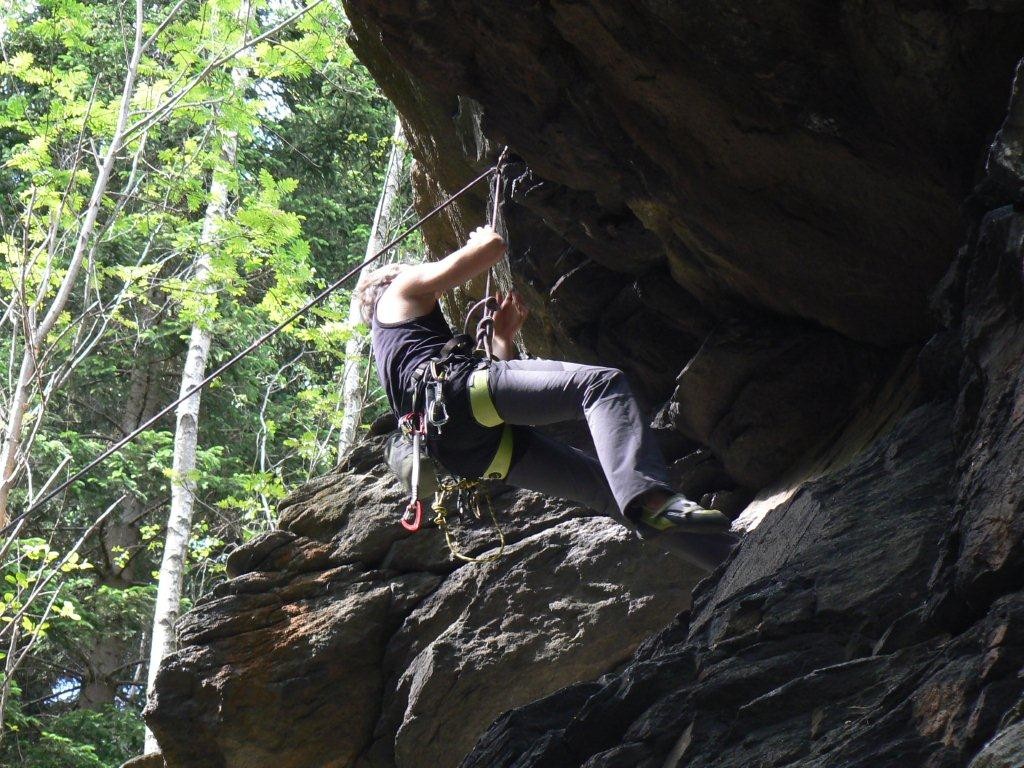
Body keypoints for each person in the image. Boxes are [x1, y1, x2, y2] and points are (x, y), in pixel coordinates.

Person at [360, 225, 737, 571]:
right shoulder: (399, 289)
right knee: (601, 387)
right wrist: (480, 239)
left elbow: (495, 408)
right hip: (457, 396)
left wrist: (502, 341)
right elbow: (491, 248)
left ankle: (726, 552)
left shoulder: (392, 350)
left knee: (606, 489)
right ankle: (646, 493)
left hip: (466, 451)